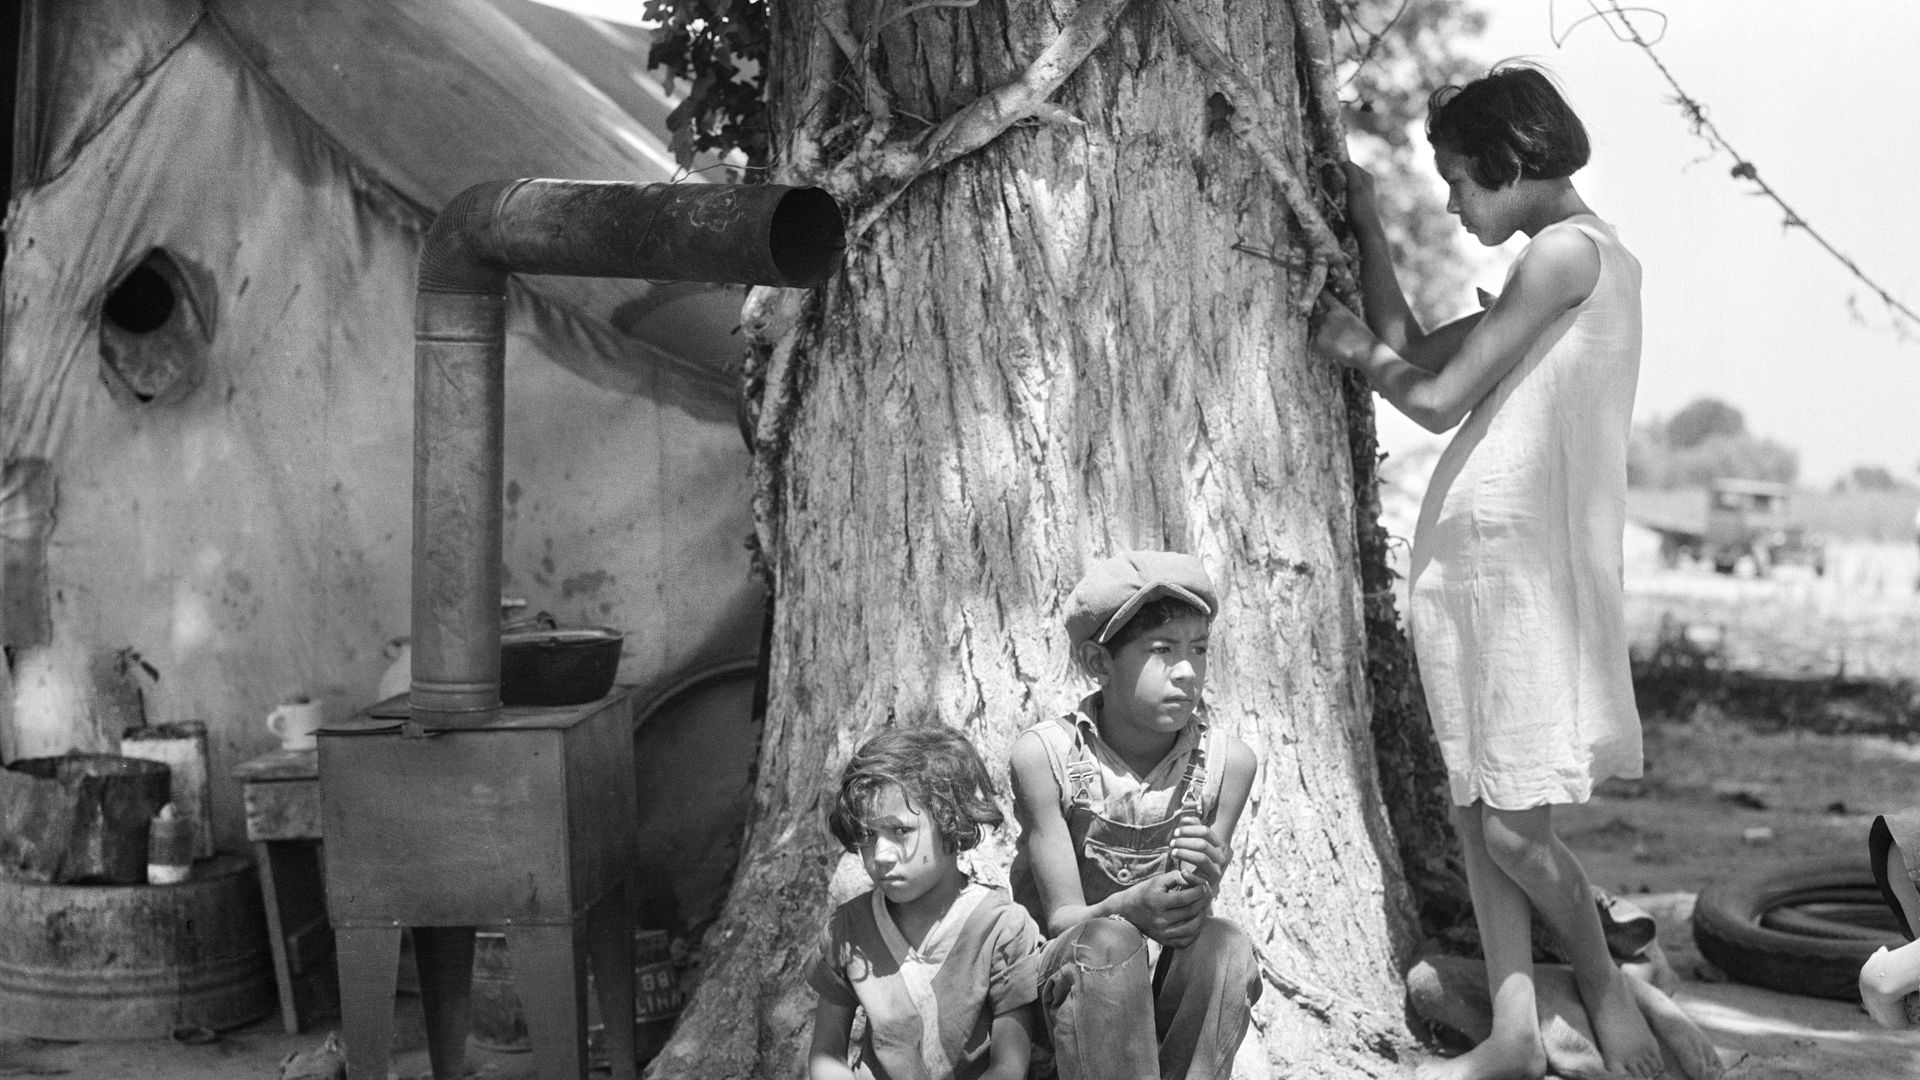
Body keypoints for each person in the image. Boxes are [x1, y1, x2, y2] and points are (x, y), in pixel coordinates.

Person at [1310, 64, 1665, 1080]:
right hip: (1473, 567)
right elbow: (1417, 348)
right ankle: (1512, 1038)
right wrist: (1371, 233)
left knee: (1514, 829)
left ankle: (1601, 987)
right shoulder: (1551, 270)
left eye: (1462, 179)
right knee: (1475, 811)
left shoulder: (1568, 255)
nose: (1456, 202)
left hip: (1524, 574)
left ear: (1512, 162)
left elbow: (1425, 395)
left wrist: (1348, 351)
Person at [1008, 550, 1260, 1080]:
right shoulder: (1047, 757)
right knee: (1108, 941)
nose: (1188, 671)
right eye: (1162, 650)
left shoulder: (1227, 764)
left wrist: (1203, 877)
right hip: (1059, 1000)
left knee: (1226, 946)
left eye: (1199, 649)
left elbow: (1189, 922)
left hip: (1152, 1007)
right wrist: (1129, 905)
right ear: (1099, 663)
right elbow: (1060, 920)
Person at [807, 725, 1043, 1080]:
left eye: (900, 831)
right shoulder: (849, 930)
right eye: (868, 837)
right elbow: (826, 1053)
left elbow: (1009, 1068)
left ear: (951, 821)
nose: (881, 855)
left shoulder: (1000, 928)